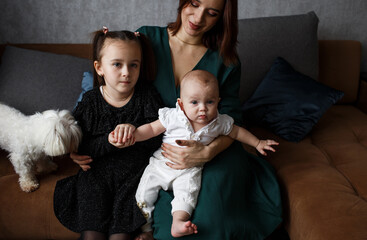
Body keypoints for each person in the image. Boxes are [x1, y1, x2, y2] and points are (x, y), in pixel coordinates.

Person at [72, 0, 283, 239]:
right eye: (194, 4)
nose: (198, 18)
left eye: (212, 13)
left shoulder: (226, 61)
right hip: (160, 151)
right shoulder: (147, 39)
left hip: (214, 148)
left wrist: (207, 152)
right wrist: (82, 142)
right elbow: (112, 85)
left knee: (210, 215)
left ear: (222, 18)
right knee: (159, 210)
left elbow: (232, 123)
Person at [109, 70, 279, 238]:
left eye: (210, 102)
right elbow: (152, 128)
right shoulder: (174, 116)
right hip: (162, 164)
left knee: (187, 195)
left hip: (190, 169)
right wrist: (134, 135)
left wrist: (258, 143)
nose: (203, 109)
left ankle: (178, 223)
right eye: (195, 102)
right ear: (181, 103)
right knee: (143, 195)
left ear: (218, 102)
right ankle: (146, 230)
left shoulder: (219, 122)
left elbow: (237, 132)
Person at [53, 28, 163, 240]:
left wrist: (135, 132)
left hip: (132, 179)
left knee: (120, 237)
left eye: (134, 65)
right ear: (99, 68)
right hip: (96, 178)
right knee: (92, 235)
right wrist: (109, 141)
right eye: (117, 64)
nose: (126, 72)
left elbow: (159, 138)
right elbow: (80, 145)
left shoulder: (146, 96)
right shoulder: (91, 101)